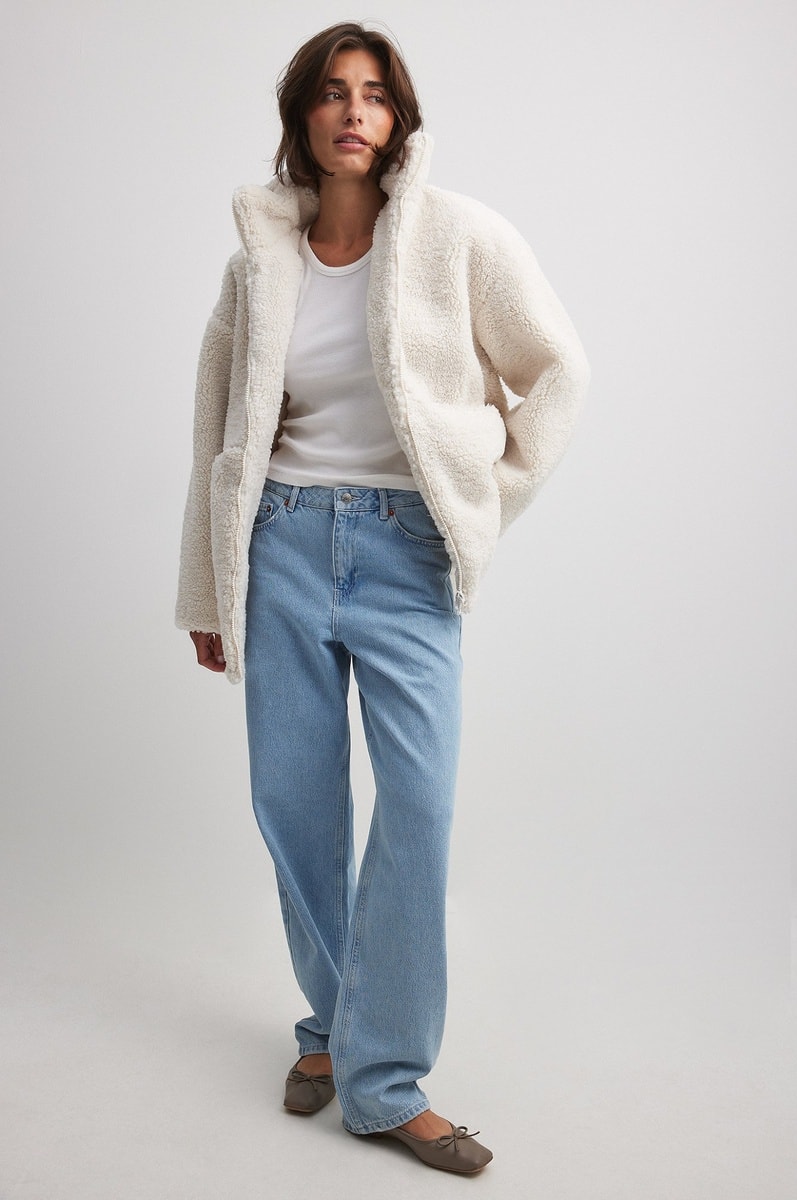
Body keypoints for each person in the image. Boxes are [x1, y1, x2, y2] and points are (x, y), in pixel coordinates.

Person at [176, 20, 589, 1176]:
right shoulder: (257, 261)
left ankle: (382, 1079)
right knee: (293, 804)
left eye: (373, 93)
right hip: (280, 545)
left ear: (397, 117)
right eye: (330, 91)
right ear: (301, 116)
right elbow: (216, 433)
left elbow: (557, 371)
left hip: (406, 554)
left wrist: (480, 501)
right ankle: (331, 1027)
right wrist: (208, 585)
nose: (352, 111)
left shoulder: (458, 237)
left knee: (416, 807)